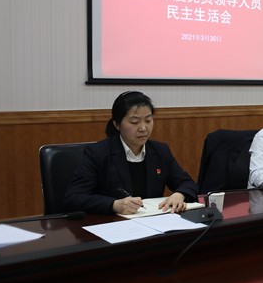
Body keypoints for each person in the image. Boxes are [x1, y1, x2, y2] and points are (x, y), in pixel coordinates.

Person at [64, 91, 199, 215]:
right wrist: (113, 205)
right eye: (134, 122)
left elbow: (188, 184)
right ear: (117, 124)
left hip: (154, 223)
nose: (143, 128)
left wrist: (179, 195)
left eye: (148, 120)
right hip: (112, 225)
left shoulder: (160, 151)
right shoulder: (98, 153)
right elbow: (73, 198)